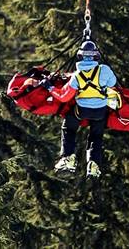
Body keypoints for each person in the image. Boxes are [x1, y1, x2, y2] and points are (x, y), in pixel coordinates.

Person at [26, 40, 116, 178]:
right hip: (100, 111)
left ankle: (68, 158)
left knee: (69, 128)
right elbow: (113, 83)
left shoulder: (76, 77)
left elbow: (63, 97)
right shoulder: (104, 70)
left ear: (79, 56)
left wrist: (49, 87)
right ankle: (93, 164)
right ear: (96, 56)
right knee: (96, 136)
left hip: (81, 110)